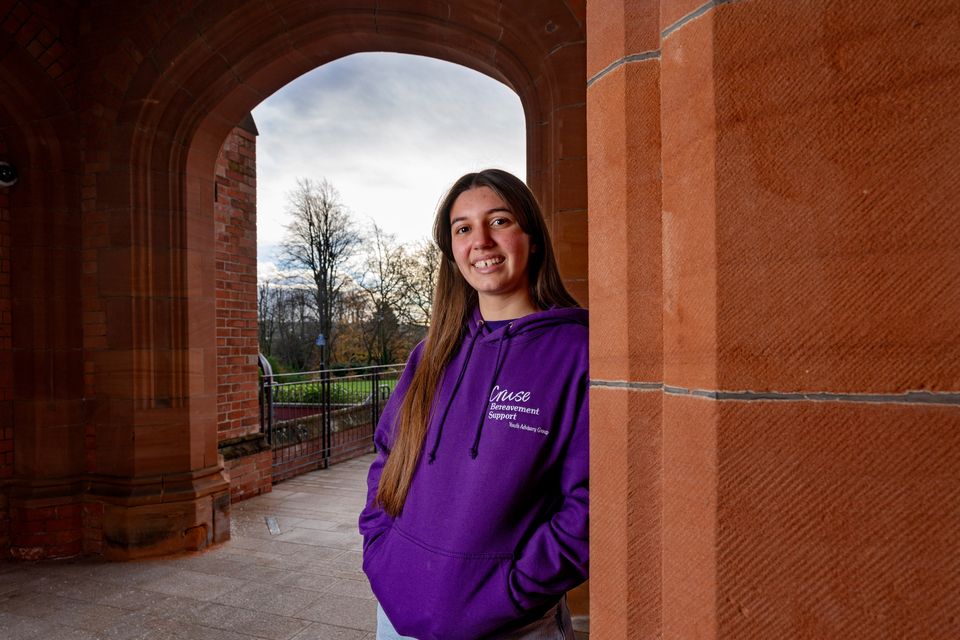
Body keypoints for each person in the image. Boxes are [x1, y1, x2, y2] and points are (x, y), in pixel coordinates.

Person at [359, 169, 588, 640]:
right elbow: (388, 455)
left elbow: (592, 500)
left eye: (499, 221)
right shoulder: (432, 351)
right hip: (397, 615)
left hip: (510, 625)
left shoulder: (579, 352)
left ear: (533, 239)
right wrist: (381, 547)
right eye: (463, 228)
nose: (480, 241)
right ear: (452, 250)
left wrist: (512, 590)